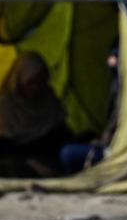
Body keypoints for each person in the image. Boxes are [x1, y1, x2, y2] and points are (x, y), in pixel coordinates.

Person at [0, 51, 69, 177]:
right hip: (17, 161)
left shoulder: (49, 100)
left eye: (40, 82)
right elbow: (5, 145)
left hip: (48, 158)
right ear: (19, 81)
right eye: (30, 83)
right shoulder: (6, 105)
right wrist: (31, 164)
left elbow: (61, 135)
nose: (36, 88)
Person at [59, 42, 120, 173]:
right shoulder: (117, 86)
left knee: (68, 153)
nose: (111, 61)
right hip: (109, 145)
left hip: (115, 150)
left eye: (115, 56)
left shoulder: (124, 89)